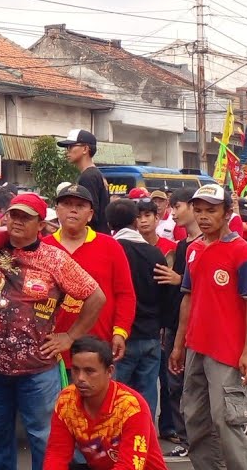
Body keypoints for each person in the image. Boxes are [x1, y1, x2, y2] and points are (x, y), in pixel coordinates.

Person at [0, 192, 107, 470]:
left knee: (45, 438)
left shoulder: (54, 259)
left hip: (37, 370)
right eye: (14, 214)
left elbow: (95, 296)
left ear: (40, 224)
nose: (17, 221)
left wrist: (70, 337)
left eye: (25, 217)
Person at [167, 184, 247, 470]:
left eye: (211, 210)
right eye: (199, 210)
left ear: (227, 213)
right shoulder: (193, 250)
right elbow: (188, 300)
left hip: (226, 349)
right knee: (194, 416)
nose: (203, 216)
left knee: (225, 419)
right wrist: (179, 345)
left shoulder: (242, 252)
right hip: (196, 346)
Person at [42, 336, 167, 470]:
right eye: (75, 369)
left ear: (109, 371)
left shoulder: (131, 407)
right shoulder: (66, 400)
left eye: (89, 371)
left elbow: (128, 467)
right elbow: (56, 455)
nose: (80, 378)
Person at [42, 185, 136, 361]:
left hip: (97, 348)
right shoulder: (42, 247)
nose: (73, 210)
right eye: (67, 204)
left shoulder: (111, 247)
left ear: (90, 214)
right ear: (57, 210)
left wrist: (120, 331)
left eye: (80, 206)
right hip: (50, 349)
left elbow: (125, 294)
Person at [112, 198, 168, 421]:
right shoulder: (154, 253)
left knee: (117, 395)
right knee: (146, 394)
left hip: (120, 336)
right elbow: (165, 294)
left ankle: (117, 444)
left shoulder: (112, 249)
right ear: (135, 221)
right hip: (151, 335)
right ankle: (144, 441)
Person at [153, 190, 199, 457]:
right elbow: (177, 294)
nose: (172, 213)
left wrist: (178, 278)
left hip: (198, 327)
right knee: (174, 383)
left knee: (196, 386)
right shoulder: (182, 247)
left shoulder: (206, 245)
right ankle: (186, 439)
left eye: (177, 206)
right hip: (174, 325)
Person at [58, 129, 111, 234]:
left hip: (93, 238)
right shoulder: (95, 173)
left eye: (71, 146)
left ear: (85, 149)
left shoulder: (88, 176)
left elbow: (90, 216)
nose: (67, 151)